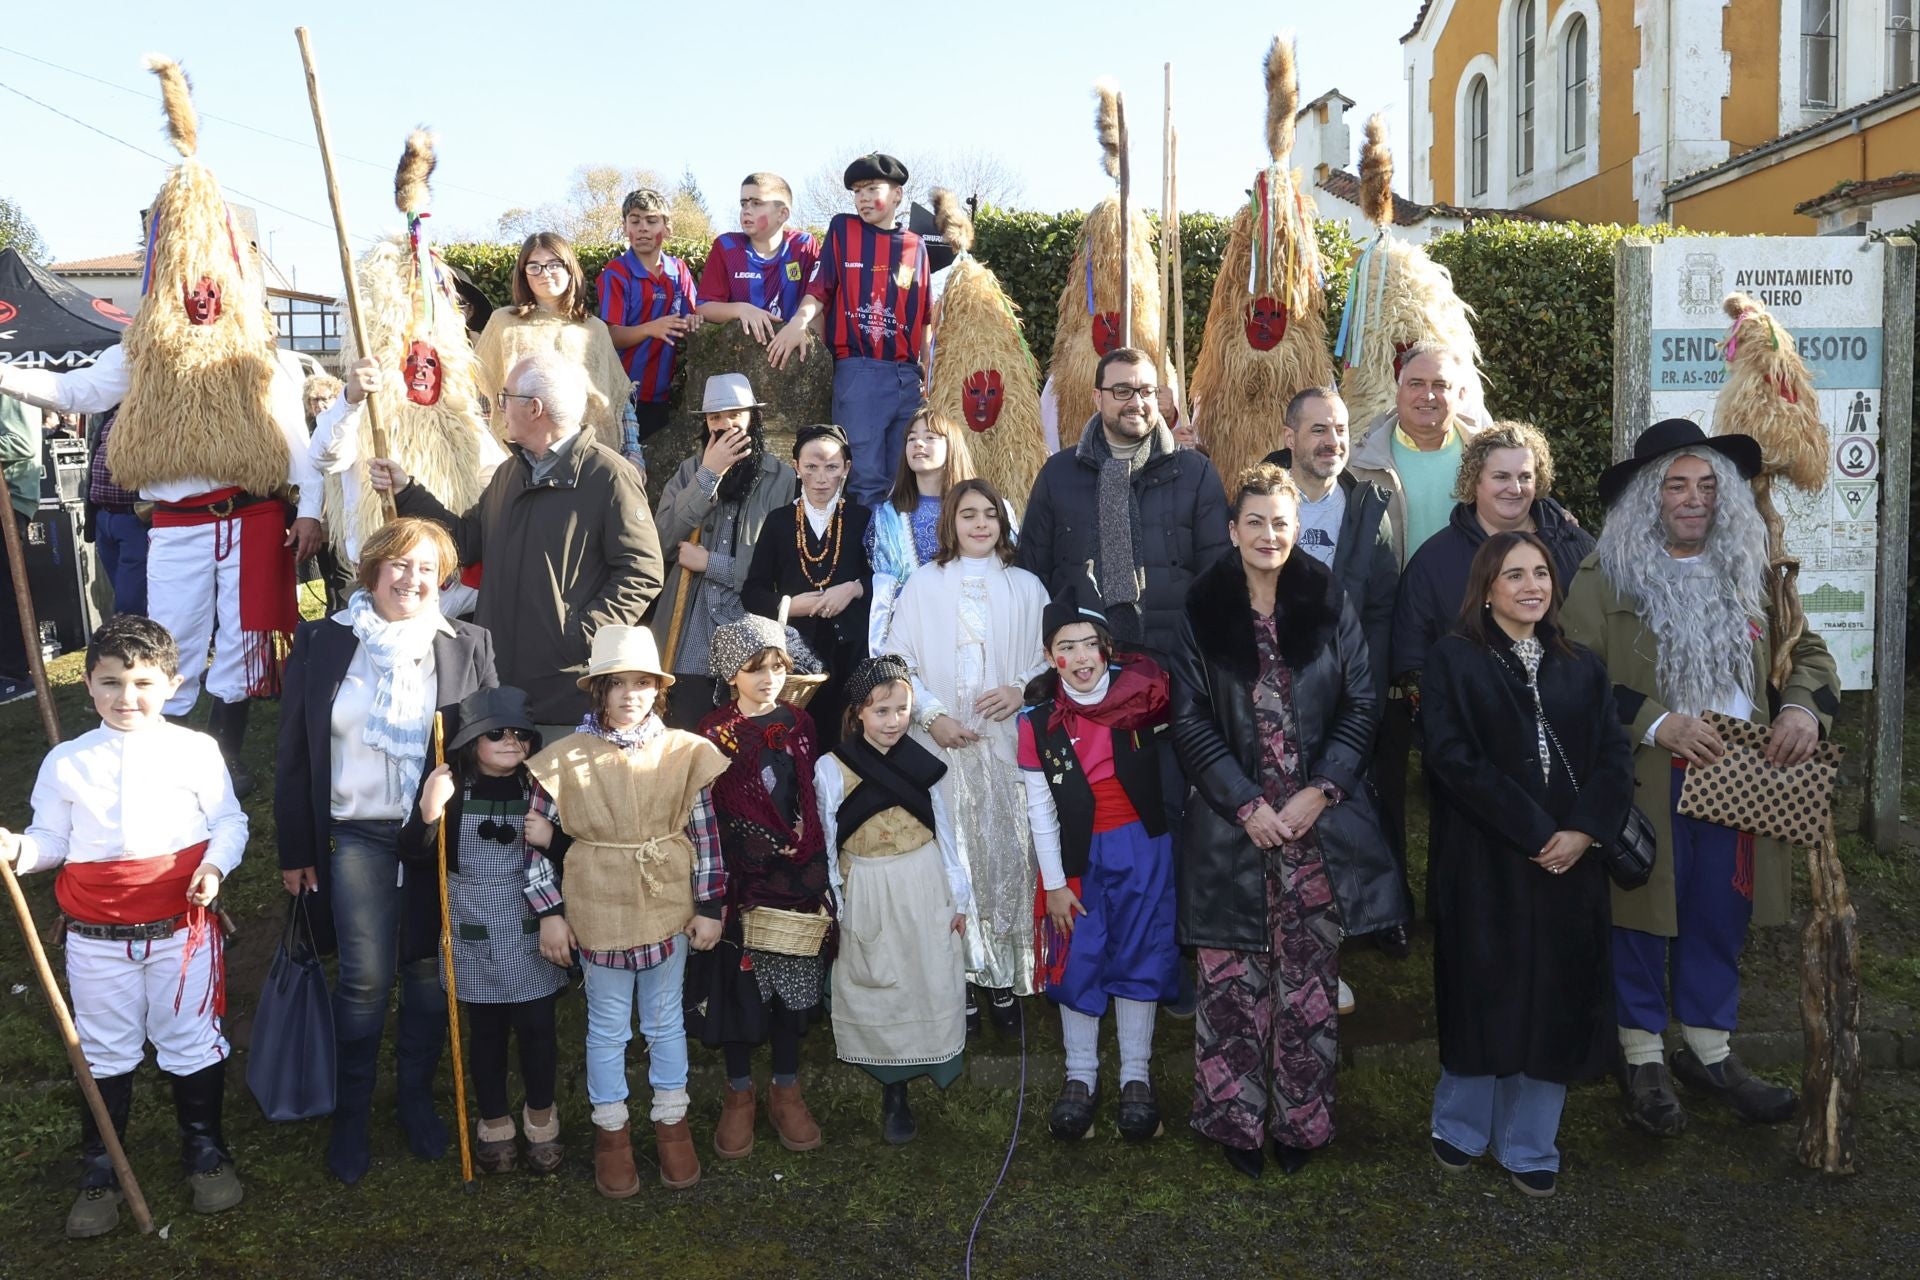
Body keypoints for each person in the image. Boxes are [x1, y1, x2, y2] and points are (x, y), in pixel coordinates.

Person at [1562, 420, 1839, 1136]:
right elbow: (1571, 676)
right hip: (1647, 775)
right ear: (1650, 497)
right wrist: (1657, 721)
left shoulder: (1754, 571)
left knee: (1721, 911)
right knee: (1641, 915)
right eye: (1677, 486)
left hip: (1742, 782)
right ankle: (1643, 1055)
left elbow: (1808, 656)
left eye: (1708, 486)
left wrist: (1804, 710)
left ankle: (1711, 1051)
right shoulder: (1605, 574)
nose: (1694, 500)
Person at [1170, 464, 1405, 1179]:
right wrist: (1245, 803)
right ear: (1232, 529)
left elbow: (1363, 703)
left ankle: (1302, 1122)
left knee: (1306, 986)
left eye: (1281, 522)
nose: (1268, 535)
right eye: (1255, 522)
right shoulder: (1203, 607)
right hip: (1233, 825)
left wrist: (1321, 790)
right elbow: (1189, 717)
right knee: (1231, 982)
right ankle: (1237, 1123)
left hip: (1315, 827)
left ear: (1297, 528)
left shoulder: (1327, 599)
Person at [0, 615, 247, 1237]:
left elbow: (230, 822)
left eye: (142, 682)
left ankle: (205, 1153)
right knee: (104, 1048)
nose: (126, 697)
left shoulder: (196, 749)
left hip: (182, 931)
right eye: (110, 682)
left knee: (188, 1038)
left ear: (172, 683)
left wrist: (215, 868)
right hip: (95, 940)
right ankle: (100, 1168)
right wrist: (17, 852)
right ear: (86, 685)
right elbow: (52, 839)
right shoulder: (66, 761)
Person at [275, 516, 498, 1184]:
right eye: (399, 565)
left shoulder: (466, 644)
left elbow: (486, 744)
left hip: (433, 833)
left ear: (444, 577)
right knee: (367, 977)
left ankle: (414, 1101)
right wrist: (294, 849)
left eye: (427, 568)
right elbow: (293, 754)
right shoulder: (321, 641)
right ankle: (352, 1113)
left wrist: (457, 790)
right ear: (372, 569)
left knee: (429, 972)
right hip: (356, 833)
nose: (412, 578)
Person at [1419, 533, 1634, 1198]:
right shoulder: (1455, 660)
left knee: (1557, 999)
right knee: (1485, 992)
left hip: (1572, 868)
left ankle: (1530, 1141)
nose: (1531, 585)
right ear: (1487, 589)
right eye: (1514, 575)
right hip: (1485, 862)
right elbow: (1452, 760)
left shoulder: (1583, 666)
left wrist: (1582, 833)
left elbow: (1613, 759)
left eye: (1541, 572)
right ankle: (1460, 1128)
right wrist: (1537, 830)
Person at [522, 625, 730, 1196]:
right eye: (618, 684)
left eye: (642, 683)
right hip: (597, 903)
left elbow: (707, 836)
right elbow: (533, 844)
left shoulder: (685, 752)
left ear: (657, 690)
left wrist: (710, 904)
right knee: (608, 1026)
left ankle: (671, 1123)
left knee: (665, 1021)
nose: (630, 695)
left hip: (667, 902)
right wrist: (550, 912)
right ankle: (611, 1132)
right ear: (599, 691)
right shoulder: (563, 759)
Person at [371, 352, 664, 741]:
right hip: (498, 684)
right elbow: (466, 541)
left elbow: (642, 572)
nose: (499, 406)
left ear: (535, 408)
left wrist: (579, 636)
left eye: (504, 396)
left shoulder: (608, 477)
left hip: (563, 696)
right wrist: (408, 491)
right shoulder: (511, 472)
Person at [1019, 586, 1180, 1142]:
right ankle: (1080, 1076)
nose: (1082, 658)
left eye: (1092, 645)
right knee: (1078, 958)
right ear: (1050, 656)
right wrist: (1056, 884)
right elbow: (1040, 809)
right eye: (1068, 646)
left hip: (1141, 845)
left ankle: (1136, 1075)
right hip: (1077, 857)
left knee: (1140, 949)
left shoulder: (1142, 699)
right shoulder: (1038, 722)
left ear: (1108, 650)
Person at [888, 479, 1049, 1031]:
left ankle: (1003, 979)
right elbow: (898, 658)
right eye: (967, 515)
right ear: (949, 524)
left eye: (989, 514)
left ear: (1003, 523)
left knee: (1005, 855)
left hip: (1004, 751)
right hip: (942, 749)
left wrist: (1020, 688)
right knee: (952, 861)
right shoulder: (924, 585)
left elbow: (1050, 655)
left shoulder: (1026, 586)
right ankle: (960, 978)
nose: (979, 524)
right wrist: (932, 716)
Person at [1262, 385, 1405, 968]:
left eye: (1341, 430)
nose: (1333, 442)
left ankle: (1367, 913)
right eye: (1319, 430)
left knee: (1345, 799)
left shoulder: (1368, 505)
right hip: (1273, 685)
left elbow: (1381, 605)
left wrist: (1365, 684)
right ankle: (1276, 926)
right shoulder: (1261, 500)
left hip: (1344, 688)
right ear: (1290, 438)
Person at [399, 685, 566, 1176]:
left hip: (530, 925)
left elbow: (578, 856)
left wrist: (553, 840)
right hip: (471, 932)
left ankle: (541, 1114)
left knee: (537, 1027)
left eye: (520, 734)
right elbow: (413, 855)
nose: (511, 742)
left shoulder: (541, 789)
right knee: (486, 1032)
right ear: (472, 742)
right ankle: (494, 1120)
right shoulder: (449, 789)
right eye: (496, 734)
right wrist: (430, 811)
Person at [1344, 342, 1484, 913]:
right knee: (1385, 770)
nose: (1428, 396)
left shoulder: (1485, 453)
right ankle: (1391, 901)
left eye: (1440, 386)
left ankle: (1461, 898)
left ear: (1458, 394)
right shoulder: (1361, 461)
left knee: (1465, 766)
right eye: (1416, 384)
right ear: (1397, 389)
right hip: (1390, 634)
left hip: (1470, 632)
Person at [687, 615, 831, 1160]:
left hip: (796, 877)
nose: (768, 677)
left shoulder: (799, 723)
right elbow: (711, 809)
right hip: (741, 878)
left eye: (776, 666)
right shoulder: (711, 733)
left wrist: (806, 843)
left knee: (793, 982)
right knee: (742, 990)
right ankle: (740, 1091)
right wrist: (743, 856)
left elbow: (808, 791)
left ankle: (786, 1087)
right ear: (731, 673)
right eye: (755, 669)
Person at [815, 656, 972, 1144]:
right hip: (867, 884)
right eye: (881, 711)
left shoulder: (923, 762)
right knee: (878, 978)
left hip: (923, 882)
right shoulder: (832, 767)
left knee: (924, 974)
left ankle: (931, 1061)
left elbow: (947, 834)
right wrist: (835, 900)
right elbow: (824, 837)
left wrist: (959, 897)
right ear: (858, 712)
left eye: (901, 709)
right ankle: (894, 1088)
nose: (893, 720)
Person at [1019, 346, 1230, 668]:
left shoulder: (1194, 473)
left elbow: (1218, 574)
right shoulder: (1058, 474)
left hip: (1175, 662)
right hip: (1082, 666)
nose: (1136, 402)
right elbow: (1032, 574)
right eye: (1122, 391)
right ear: (1097, 397)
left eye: (1146, 391)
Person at [767, 153, 932, 506]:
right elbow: (820, 288)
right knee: (865, 480)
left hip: (908, 377)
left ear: (898, 195)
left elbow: (925, 318)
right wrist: (798, 322)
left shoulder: (915, 246)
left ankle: (902, 560)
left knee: (907, 481)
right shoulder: (843, 229)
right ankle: (868, 561)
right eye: (857, 191)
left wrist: (929, 374)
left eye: (872, 188)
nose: (862, 198)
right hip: (860, 372)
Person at [1392, 421, 1593, 691]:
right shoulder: (1433, 561)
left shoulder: (1576, 547)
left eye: (1525, 477)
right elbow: (1411, 661)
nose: (1515, 488)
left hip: (1569, 717)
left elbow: (1608, 642)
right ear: (1475, 481)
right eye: (1501, 477)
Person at [651, 374, 798, 727]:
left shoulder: (782, 479)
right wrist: (708, 474)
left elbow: (785, 567)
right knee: (686, 741)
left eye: (735, 414)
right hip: (689, 634)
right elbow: (660, 542)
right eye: (715, 417)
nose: (725, 424)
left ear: (753, 417)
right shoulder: (689, 471)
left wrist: (710, 563)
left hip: (752, 640)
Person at [743, 424, 872, 750]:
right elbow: (752, 592)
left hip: (852, 652)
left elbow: (883, 581)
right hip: (796, 658)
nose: (821, 477)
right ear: (796, 467)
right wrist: (789, 605)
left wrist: (853, 588)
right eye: (811, 467)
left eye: (831, 467)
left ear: (846, 469)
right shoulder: (778, 521)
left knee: (849, 742)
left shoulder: (862, 518)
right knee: (799, 744)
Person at [474, 232, 636, 464]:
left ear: (570, 268)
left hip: (586, 458)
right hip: (517, 458)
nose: (545, 273)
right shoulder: (503, 323)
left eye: (554, 264)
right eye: (534, 266)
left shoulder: (594, 329)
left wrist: (633, 455)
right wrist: (485, 453)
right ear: (523, 273)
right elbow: (480, 392)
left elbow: (619, 397)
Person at [866, 408, 982, 653]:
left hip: (972, 636)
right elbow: (883, 591)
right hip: (909, 639)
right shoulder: (888, 515)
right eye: (911, 438)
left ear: (952, 446)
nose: (918, 443)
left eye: (930, 437)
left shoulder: (983, 509)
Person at [597, 189, 701, 447]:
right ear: (624, 227)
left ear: (667, 228)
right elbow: (611, 336)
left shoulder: (679, 270)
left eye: (651, 221)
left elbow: (694, 316)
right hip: (619, 392)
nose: (643, 228)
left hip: (660, 394)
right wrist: (652, 328)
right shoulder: (616, 272)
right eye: (635, 221)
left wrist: (694, 322)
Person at [696, 172, 819, 343]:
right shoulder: (726, 246)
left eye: (756, 203)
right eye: (743, 203)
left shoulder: (803, 245)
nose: (746, 210)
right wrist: (741, 309)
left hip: (793, 356)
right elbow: (704, 307)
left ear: (782, 214)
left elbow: (819, 299)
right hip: (741, 355)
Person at [0, 395, 45, 702]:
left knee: (7, 590)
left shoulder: (9, 386)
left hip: (9, 502)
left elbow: (21, 443)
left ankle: (14, 674)